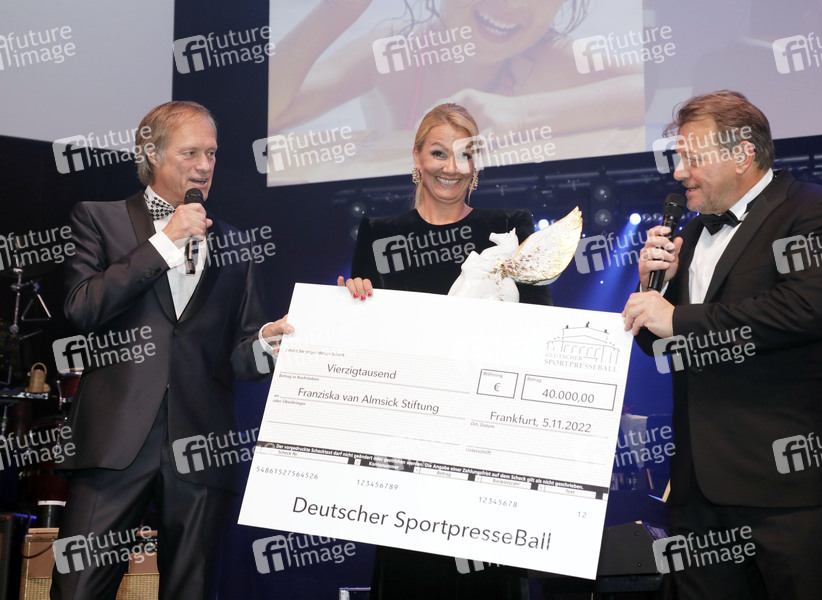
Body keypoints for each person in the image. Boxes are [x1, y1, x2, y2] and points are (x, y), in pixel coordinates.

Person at [51, 101, 292, 600]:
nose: (204, 165)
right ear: (152, 154)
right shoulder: (98, 218)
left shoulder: (236, 245)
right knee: (77, 591)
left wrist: (266, 343)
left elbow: (240, 357)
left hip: (202, 448)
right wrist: (165, 242)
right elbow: (82, 307)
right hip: (113, 444)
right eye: (190, 153)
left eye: (212, 153)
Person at [622, 91, 822, 599]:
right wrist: (652, 289)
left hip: (789, 489)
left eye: (691, 157)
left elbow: (801, 312)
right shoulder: (690, 234)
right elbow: (661, 348)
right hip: (697, 495)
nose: (679, 172)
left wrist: (674, 317)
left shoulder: (818, 210)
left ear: (742, 154)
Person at [339, 102, 550, 599]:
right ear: (417, 157)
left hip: (487, 448)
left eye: (465, 155)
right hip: (406, 454)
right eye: (438, 153)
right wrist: (351, 307)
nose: (451, 167)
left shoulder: (510, 227)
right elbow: (366, 347)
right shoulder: (380, 233)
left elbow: (541, 331)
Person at [269, 0, 642, 136]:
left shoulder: (547, 59)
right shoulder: (394, 55)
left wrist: (523, 114)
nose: (510, 5)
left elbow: (655, 94)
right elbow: (268, 113)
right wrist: (337, 10)